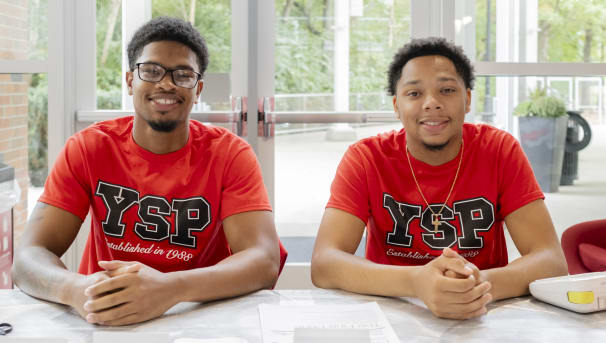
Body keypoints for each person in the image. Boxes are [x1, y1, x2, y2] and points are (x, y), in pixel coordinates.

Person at [12, 16, 284, 326]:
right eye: (151, 71)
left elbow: (264, 260)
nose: (166, 83)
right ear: (130, 81)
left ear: (198, 89)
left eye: (183, 74)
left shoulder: (230, 154)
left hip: (200, 316)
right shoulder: (89, 148)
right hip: (108, 314)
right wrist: (77, 289)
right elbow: (28, 256)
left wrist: (172, 288)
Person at [310, 37, 568, 320]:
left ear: (467, 99)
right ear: (396, 106)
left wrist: (473, 286)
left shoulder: (499, 150)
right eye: (414, 94)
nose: (432, 103)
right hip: (392, 311)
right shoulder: (366, 158)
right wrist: (417, 282)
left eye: (446, 90)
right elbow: (325, 263)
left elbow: (550, 260)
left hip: (483, 309)